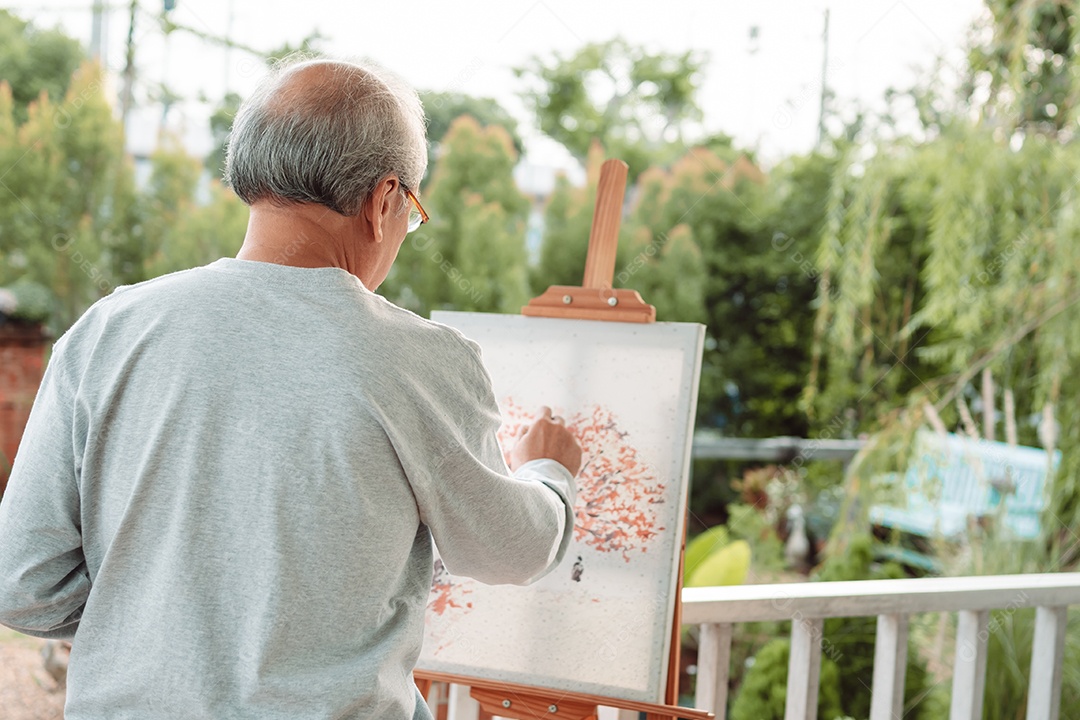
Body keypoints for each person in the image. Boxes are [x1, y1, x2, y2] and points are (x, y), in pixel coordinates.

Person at [0, 57, 582, 719]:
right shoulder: (419, 361)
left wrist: (164, 636)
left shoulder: (110, 331)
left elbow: (24, 584)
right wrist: (551, 473)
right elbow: (509, 547)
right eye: (411, 214)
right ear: (384, 198)